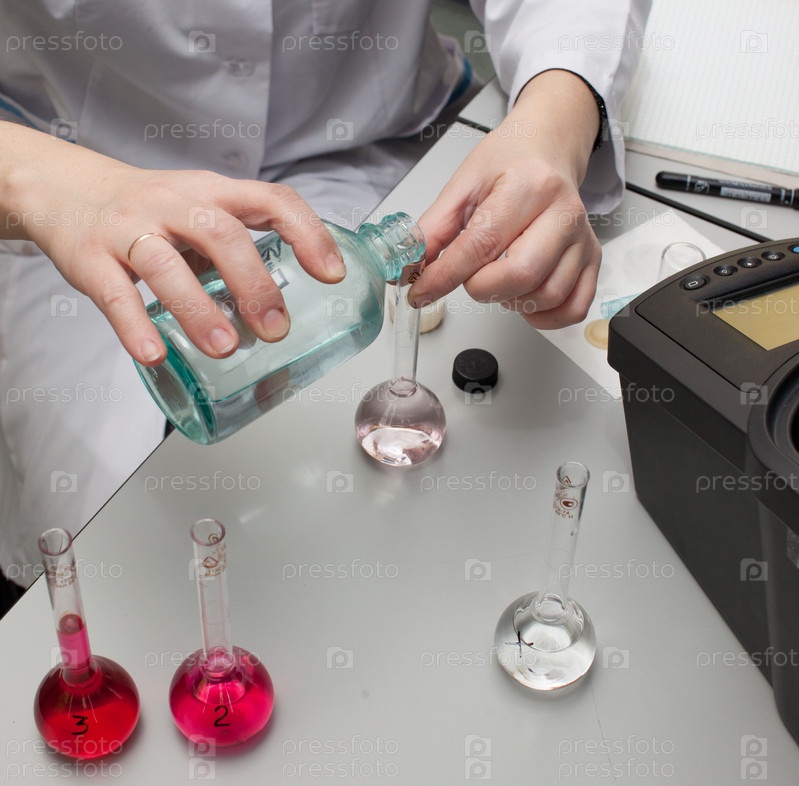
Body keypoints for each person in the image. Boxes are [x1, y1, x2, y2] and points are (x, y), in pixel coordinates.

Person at [0, 1, 651, 597]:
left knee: (393, 535)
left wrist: (553, 122)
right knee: (120, 561)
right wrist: (37, 183)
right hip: (74, 186)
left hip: (374, 147)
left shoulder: (357, 291)